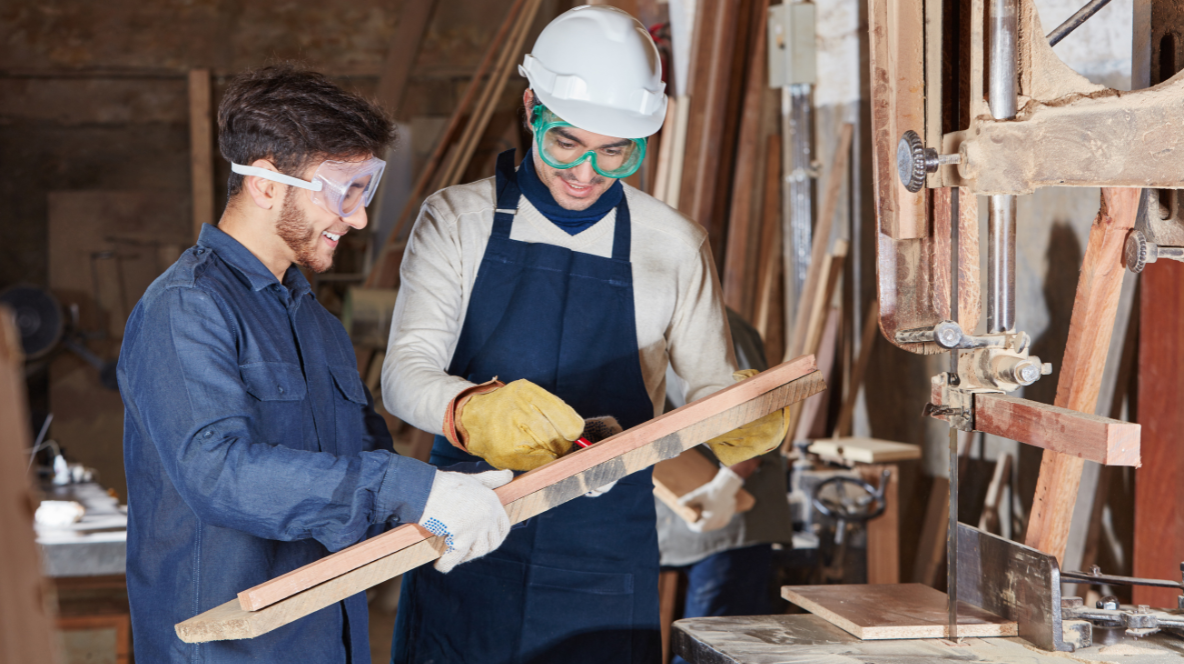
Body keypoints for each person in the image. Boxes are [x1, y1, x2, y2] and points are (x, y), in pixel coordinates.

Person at [382, 7, 788, 662]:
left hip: (603, 546)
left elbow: (713, 383)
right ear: (530, 108)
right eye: (564, 143)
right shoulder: (457, 219)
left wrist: (741, 416)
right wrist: (472, 410)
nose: (585, 171)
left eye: (614, 151)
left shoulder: (673, 244)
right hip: (471, 525)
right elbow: (403, 373)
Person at [118, 65, 512, 664]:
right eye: (341, 190)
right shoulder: (185, 309)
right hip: (230, 653)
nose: (356, 217)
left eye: (364, 189)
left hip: (331, 642)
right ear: (267, 183)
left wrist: (440, 502)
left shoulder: (316, 322)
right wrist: (409, 487)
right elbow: (218, 474)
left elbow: (358, 478)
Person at [659, 309, 796, 664]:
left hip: (733, 510)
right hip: (683, 508)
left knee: (712, 648)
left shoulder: (717, 325)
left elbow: (755, 412)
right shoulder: (650, 324)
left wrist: (728, 482)